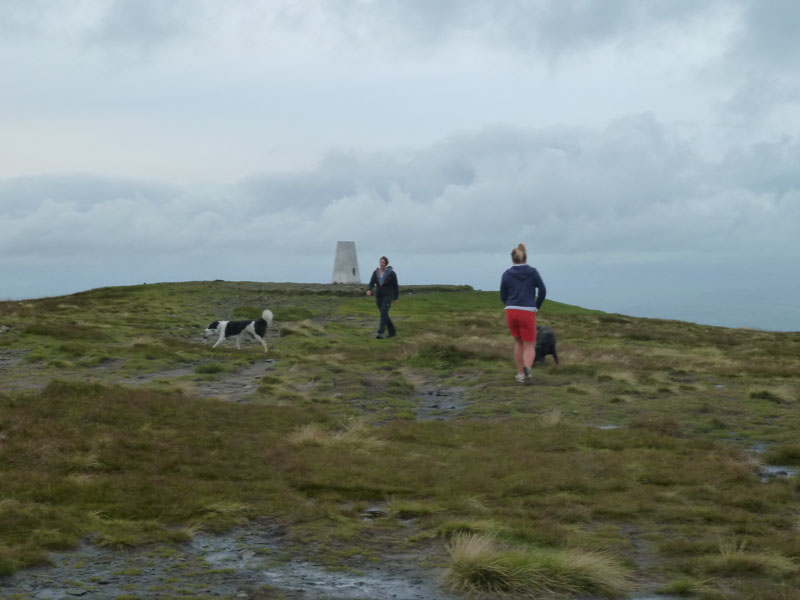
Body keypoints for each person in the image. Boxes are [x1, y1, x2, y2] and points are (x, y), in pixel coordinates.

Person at [500, 243, 546, 384]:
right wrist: (536, 306)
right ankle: (527, 367)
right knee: (529, 344)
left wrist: (509, 304)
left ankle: (520, 374)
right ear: (525, 257)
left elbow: (503, 294)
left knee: (518, 342)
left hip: (511, 310)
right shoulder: (532, 272)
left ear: (512, 259)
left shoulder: (506, 274)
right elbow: (542, 291)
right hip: (527, 310)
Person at [366, 256, 399, 339]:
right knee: (384, 314)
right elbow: (372, 282)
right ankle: (392, 332)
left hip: (388, 296)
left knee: (383, 313)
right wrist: (369, 289)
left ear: (386, 264)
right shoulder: (376, 273)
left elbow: (395, 286)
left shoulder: (391, 274)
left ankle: (380, 333)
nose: (382, 264)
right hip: (379, 296)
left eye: (383, 263)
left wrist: (395, 297)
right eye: (381, 262)